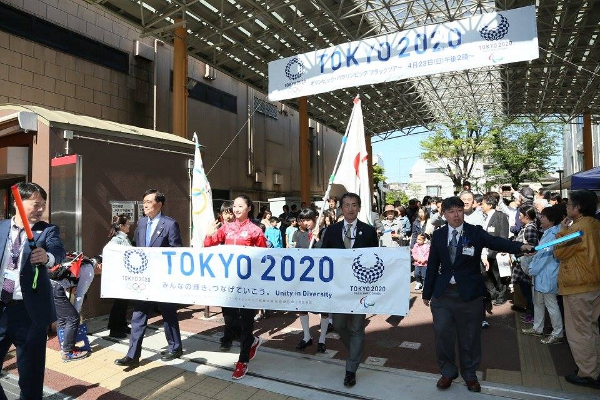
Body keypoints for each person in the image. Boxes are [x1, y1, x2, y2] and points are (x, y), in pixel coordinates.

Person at [422, 196, 532, 393]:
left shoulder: (474, 232)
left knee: (470, 337)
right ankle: (448, 372)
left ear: (463, 211)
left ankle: (470, 374)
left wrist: (520, 248)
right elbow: (432, 265)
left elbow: (496, 241)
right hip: (443, 294)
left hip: (470, 294)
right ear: (444, 214)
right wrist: (427, 292)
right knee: (442, 336)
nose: (456, 215)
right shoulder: (438, 235)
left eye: (459, 210)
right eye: (451, 211)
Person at [0, 182, 66, 399]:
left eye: (44, 205)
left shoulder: (47, 230)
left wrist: (48, 258)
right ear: (19, 204)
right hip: (1, 309)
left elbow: (58, 251)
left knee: (30, 379)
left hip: (30, 314)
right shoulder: (0, 228)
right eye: (36, 204)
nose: (41, 209)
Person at [115, 189, 183, 367]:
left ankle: (175, 347)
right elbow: (138, 248)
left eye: (148, 201)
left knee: (168, 313)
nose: (144, 204)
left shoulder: (170, 224)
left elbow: (177, 252)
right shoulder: (142, 223)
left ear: (159, 204)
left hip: (163, 279)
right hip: (144, 280)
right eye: (143, 201)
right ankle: (132, 355)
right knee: (139, 315)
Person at [204, 195, 267, 379]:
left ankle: (243, 361)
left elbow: (264, 257)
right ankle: (253, 341)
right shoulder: (226, 228)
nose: (236, 209)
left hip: (248, 285)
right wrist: (209, 234)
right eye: (235, 206)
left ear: (249, 208)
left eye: (241, 206)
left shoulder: (255, 231)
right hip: (229, 284)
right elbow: (208, 245)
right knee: (230, 321)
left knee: (247, 323)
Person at [320, 192, 378, 388]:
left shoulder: (369, 232)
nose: (350, 208)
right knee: (339, 324)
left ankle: (351, 369)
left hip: (360, 288)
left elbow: (375, 259)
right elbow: (323, 257)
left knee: (357, 328)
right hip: (337, 288)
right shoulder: (331, 231)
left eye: (354, 205)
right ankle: (356, 350)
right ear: (341, 208)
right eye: (346, 205)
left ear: (359, 207)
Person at [553, 189, 600, 389]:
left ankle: (588, 373)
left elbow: (558, 250)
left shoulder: (578, 229)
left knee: (579, 332)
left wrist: (562, 229)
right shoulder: (595, 224)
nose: (567, 206)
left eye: (569, 203)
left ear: (578, 207)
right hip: (592, 284)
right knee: (590, 329)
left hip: (578, 286)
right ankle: (593, 368)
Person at [522, 204, 565, 345]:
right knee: (538, 302)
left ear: (551, 220)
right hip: (542, 275)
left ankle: (558, 332)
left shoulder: (553, 234)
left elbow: (543, 256)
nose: (540, 218)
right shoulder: (550, 232)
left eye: (543, 216)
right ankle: (538, 328)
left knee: (550, 304)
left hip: (546, 274)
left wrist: (531, 270)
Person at [292, 208, 329, 353]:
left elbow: (327, 251)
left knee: (324, 308)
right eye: (303, 220)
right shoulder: (299, 235)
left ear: (315, 218)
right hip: (304, 277)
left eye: (308, 219)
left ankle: (322, 339)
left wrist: (318, 238)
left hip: (321, 276)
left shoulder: (325, 232)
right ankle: (307, 336)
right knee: (302, 306)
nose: (305, 223)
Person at [480, 193, 510, 306]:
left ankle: (501, 296)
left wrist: (503, 247)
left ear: (490, 204)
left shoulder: (500, 216)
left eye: (482, 203)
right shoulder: (485, 217)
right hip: (486, 251)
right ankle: (493, 293)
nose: (481, 206)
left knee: (499, 275)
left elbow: (503, 233)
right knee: (485, 273)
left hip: (497, 251)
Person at [107, 214, 132, 339]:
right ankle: (114, 328)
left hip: (124, 275)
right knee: (119, 303)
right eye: (127, 224)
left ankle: (122, 324)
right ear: (121, 226)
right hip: (119, 275)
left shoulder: (124, 238)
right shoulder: (116, 240)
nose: (129, 226)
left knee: (124, 302)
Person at [512, 206, 539, 324]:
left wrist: (519, 250)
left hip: (525, 268)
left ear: (527, 216)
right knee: (527, 293)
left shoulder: (530, 228)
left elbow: (532, 248)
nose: (518, 217)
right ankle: (531, 314)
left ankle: (534, 316)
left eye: (520, 215)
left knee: (529, 294)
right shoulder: (526, 227)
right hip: (522, 266)